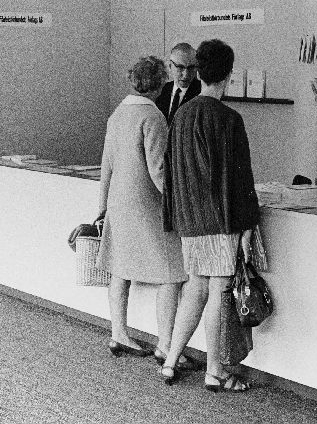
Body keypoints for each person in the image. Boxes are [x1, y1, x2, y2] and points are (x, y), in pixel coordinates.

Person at [160, 39, 260, 392]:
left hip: (189, 219)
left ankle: (170, 360)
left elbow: (170, 173)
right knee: (218, 291)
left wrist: (174, 217)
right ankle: (214, 370)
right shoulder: (229, 119)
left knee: (195, 289)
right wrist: (248, 226)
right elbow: (241, 180)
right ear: (229, 74)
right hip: (219, 220)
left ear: (198, 72)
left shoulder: (181, 115)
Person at [97, 57, 192, 367]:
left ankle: (119, 333)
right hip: (146, 205)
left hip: (118, 203)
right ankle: (165, 344)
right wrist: (181, 200)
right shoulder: (152, 116)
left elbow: (106, 165)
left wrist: (102, 207)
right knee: (173, 272)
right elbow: (158, 170)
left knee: (120, 268)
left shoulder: (117, 114)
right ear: (160, 83)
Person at [155, 42, 201, 125]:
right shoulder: (160, 90)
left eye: (191, 68)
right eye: (180, 67)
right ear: (170, 66)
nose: (186, 75)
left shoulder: (201, 93)